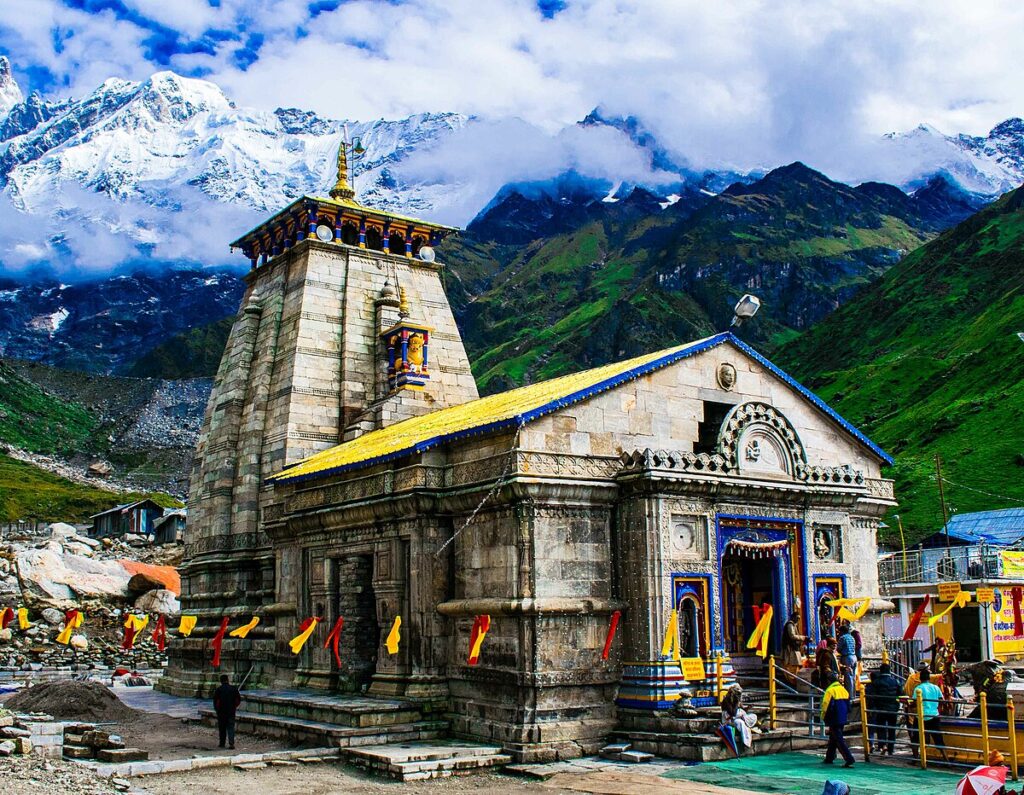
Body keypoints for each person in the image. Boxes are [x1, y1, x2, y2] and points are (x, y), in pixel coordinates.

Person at [865, 662, 902, 755]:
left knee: (881, 728)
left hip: (880, 708)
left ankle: (882, 746)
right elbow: (901, 694)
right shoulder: (896, 681)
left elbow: (872, 697)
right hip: (893, 708)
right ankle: (891, 749)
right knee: (892, 729)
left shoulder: (876, 682)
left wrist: (872, 708)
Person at [912, 668, 948, 761]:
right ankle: (947, 760)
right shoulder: (936, 687)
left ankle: (915, 759)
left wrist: (908, 703)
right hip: (934, 715)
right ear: (929, 678)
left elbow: (913, 703)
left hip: (921, 716)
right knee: (938, 739)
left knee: (915, 739)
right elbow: (942, 700)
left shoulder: (918, 688)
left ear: (920, 678)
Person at [821, 671, 855, 768]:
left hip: (833, 718)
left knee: (838, 739)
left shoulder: (830, 691)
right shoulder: (843, 690)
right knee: (834, 737)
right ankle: (829, 757)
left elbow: (825, 706)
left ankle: (849, 758)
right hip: (842, 717)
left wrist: (823, 717)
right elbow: (849, 705)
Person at [213, 673, 241, 749]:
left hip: (221, 712)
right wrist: (234, 707)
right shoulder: (234, 688)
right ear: (228, 680)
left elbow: (216, 702)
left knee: (222, 728)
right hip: (231, 711)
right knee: (230, 727)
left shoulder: (219, 690)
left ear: (221, 681)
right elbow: (238, 700)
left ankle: (222, 743)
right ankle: (231, 743)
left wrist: (217, 710)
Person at [836, 625, 857, 697]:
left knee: (848, 678)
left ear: (842, 631)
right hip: (854, 657)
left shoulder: (843, 638)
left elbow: (838, 648)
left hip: (847, 658)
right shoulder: (852, 637)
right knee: (853, 677)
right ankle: (853, 695)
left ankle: (849, 696)